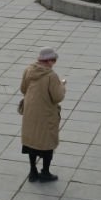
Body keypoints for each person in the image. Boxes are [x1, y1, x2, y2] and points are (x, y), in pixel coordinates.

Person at [20, 47, 66, 183]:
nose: (54, 63)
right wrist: (62, 86)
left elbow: (23, 89)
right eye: (54, 60)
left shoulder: (29, 70)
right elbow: (57, 97)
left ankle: (32, 171)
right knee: (47, 143)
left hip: (30, 113)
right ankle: (45, 172)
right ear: (49, 61)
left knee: (32, 142)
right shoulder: (51, 76)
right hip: (46, 115)